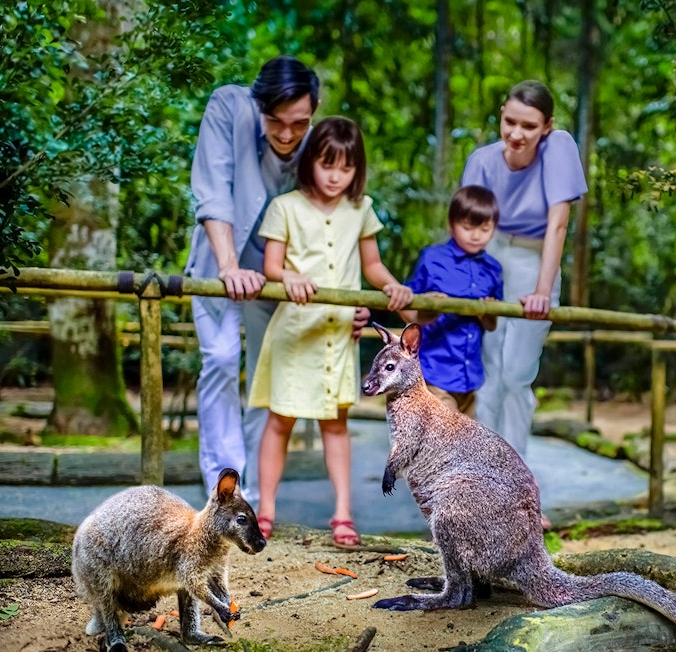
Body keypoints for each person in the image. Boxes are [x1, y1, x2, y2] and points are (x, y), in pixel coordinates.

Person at [184, 56, 369, 508]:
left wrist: (345, 303)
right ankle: (224, 486)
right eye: (275, 121)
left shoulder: (316, 142)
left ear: (315, 108)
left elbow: (338, 227)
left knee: (267, 383)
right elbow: (213, 190)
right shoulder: (230, 107)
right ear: (258, 105)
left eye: (299, 123)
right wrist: (229, 267)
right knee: (223, 360)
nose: (287, 134)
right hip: (221, 261)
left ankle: (249, 497)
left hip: (282, 278)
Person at [249, 116, 413, 548]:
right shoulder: (285, 207)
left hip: (339, 335)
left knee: (336, 423)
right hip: (293, 331)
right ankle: (264, 510)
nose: (336, 176)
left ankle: (343, 512)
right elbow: (270, 265)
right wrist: (288, 277)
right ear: (310, 163)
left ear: (357, 169)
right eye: (327, 165)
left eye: (346, 167)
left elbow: (372, 265)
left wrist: (391, 285)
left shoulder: (361, 209)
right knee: (280, 420)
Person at [460, 79, 588, 456]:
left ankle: (518, 483)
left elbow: (558, 225)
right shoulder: (482, 161)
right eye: (510, 122)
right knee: (490, 372)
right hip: (489, 255)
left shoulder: (559, 148)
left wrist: (543, 291)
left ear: (547, 126)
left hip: (535, 259)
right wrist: (473, 285)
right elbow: (469, 231)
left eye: (529, 126)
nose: (517, 134)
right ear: (501, 115)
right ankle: (484, 481)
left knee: (517, 373)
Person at [400, 185, 503, 417]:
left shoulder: (493, 269)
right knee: (449, 441)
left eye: (485, 228)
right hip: (434, 372)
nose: (476, 235)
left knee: (464, 447)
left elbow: (491, 325)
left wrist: (486, 312)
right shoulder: (432, 258)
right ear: (451, 224)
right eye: (467, 227)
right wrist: (428, 311)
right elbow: (404, 307)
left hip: (469, 378)